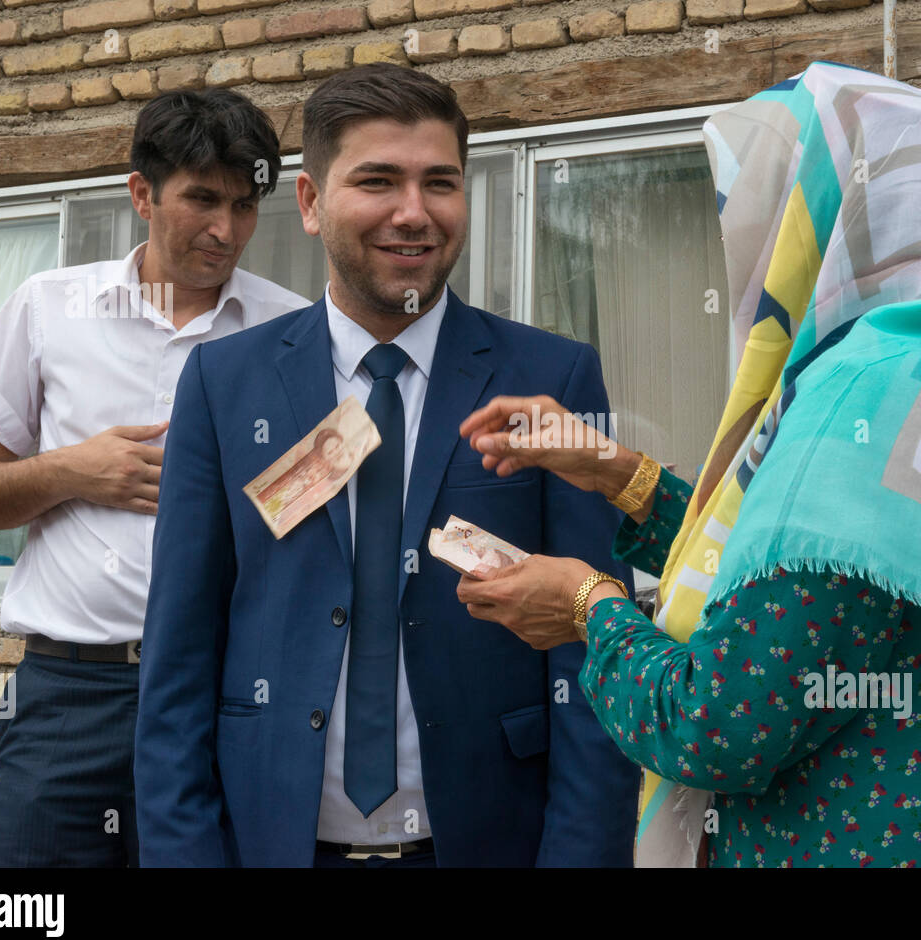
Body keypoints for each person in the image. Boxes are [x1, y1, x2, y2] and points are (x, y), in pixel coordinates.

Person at [457, 61, 921, 868]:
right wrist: (623, 476)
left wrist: (589, 606)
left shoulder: (862, 391)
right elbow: (830, 577)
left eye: (771, 207)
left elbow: (714, 724)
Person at [134, 64, 639, 867]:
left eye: (440, 182)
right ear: (308, 203)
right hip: (275, 844)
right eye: (378, 181)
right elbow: (179, 659)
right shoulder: (226, 385)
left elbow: (593, 658)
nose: (414, 213)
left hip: (482, 843)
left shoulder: (551, 379)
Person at [0, 89, 310, 867]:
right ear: (141, 193)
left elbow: (317, 521)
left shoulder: (293, 332)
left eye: (245, 205)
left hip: (227, 692)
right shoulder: (47, 309)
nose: (226, 229)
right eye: (202, 199)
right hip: (71, 695)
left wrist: (248, 498)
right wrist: (75, 470)